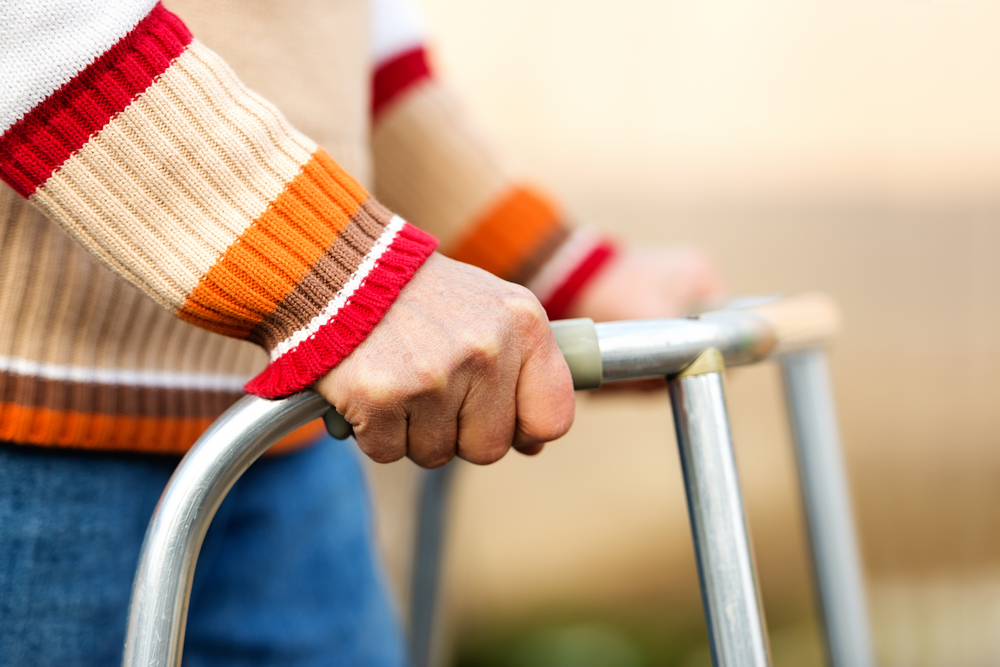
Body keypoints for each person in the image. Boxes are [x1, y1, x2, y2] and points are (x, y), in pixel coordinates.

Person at [0, 0, 723, 664]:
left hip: (285, 439)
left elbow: (337, 45)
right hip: (31, 441)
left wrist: (549, 263)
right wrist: (329, 270)